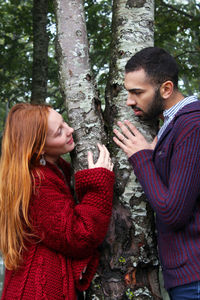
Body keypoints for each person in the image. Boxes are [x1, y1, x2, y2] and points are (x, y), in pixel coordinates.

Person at [0, 103, 115, 300]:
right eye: (59, 131)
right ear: (38, 148)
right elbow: (79, 237)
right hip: (38, 292)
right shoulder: (37, 183)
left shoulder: (53, 170)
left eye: (64, 122)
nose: (71, 130)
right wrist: (98, 184)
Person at [113, 46, 200, 300]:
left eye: (137, 92)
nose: (129, 101)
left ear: (166, 89)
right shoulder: (173, 125)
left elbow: (173, 212)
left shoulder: (191, 124)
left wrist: (142, 158)